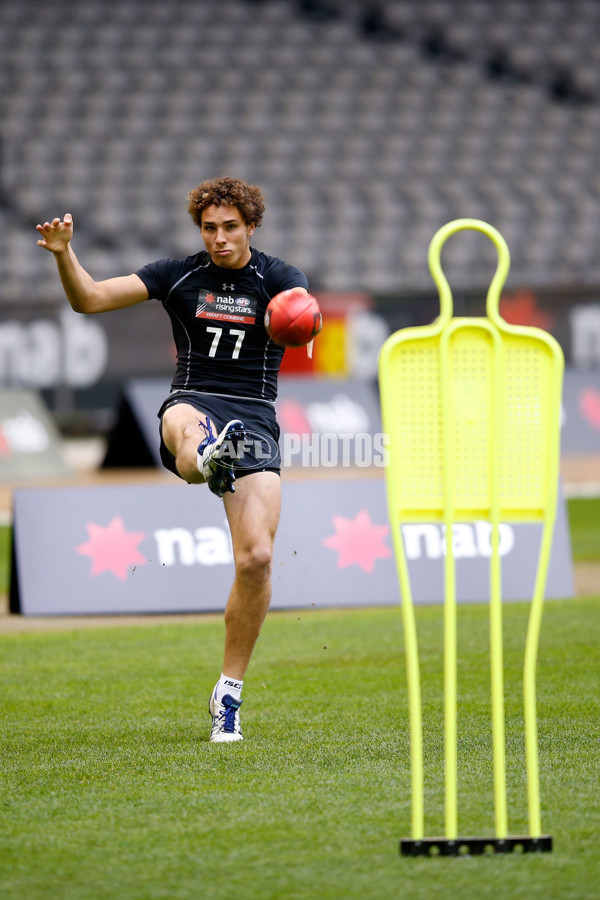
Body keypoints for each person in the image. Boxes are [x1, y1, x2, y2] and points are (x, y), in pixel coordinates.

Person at [36, 175, 309, 743]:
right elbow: (89, 299)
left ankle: (228, 694)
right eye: (210, 228)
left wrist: (305, 323)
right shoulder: (176, 274)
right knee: (191, 436)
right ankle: (209, 455)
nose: (219, 239)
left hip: (254, 416)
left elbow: (300, 320)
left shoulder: (280, 277)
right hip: (192, 402)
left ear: (251, 226)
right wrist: (65, 255)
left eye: (230, 227)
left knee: (256, 557)